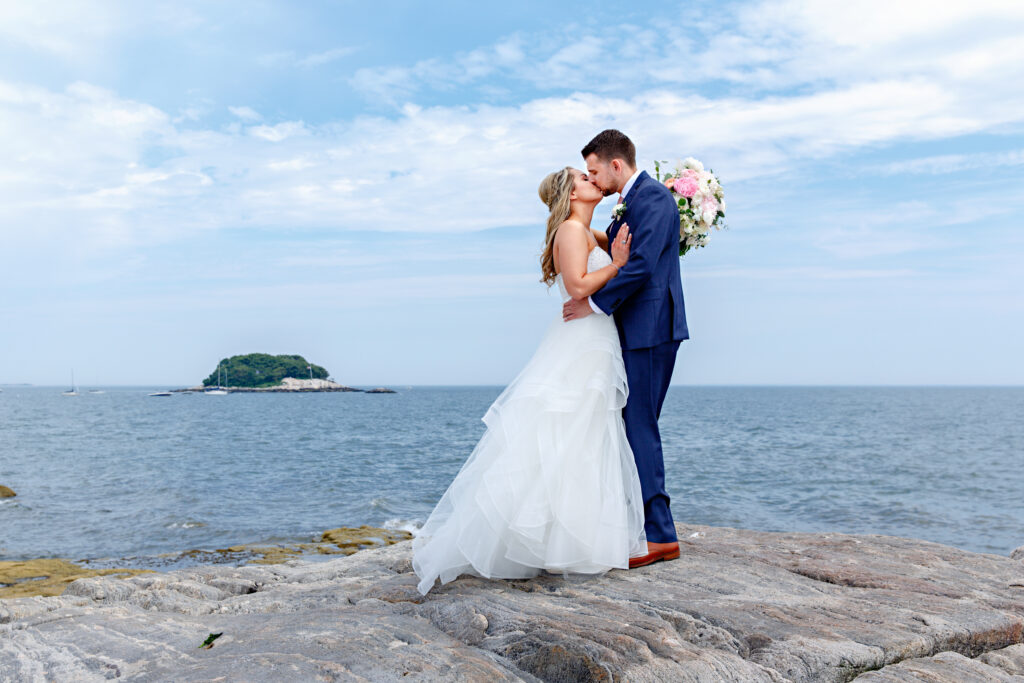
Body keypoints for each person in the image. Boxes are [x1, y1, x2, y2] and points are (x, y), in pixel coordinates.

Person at [412, 166, 647, 595]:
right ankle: (545, 540)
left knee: (584, 435)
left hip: (591, 339)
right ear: (570, 193)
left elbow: (614, 248)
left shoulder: (584, 230)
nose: (593, 180)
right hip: (582, 342)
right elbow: (578, 287)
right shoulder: (572, 232)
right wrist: (615, 265)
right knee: (567, 432)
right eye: (583, 177)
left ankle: (567, 540)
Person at [563, 129, 689, 568]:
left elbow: (638, 266)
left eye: (595, 171)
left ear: (617, 164)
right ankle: (645, 527)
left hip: (651, 327)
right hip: (637, 327)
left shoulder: (652, 199)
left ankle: (660, 536)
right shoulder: (632, 202)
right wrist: (581, 232)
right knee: (634, 424)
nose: (594, 180)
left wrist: (593, 304)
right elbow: (620, 248)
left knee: (640, 426)